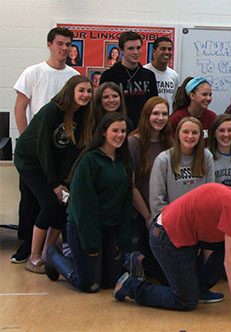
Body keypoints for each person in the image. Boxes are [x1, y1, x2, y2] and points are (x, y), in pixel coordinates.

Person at [113, 183, 231, 324]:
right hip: (167, 237)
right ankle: (130, 285)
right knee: (185, 301)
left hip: (181, 235)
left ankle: (198, 289)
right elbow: (230, 262)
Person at [45, 113, 132, 292]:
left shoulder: (124, 162)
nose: (120, 135)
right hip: (85, 228)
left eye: (123, 131)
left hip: (111, 229)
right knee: (89, 285)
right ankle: (53, 255)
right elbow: (83, 207)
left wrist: (123, 237)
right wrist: (91, 243)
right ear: (103, 133)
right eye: (115, 130)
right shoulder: (89, 161)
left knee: (110, 283)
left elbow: (126, 201)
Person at [14, 76, 91, 272]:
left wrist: (64, 182)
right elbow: (44, 150)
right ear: (71, 91)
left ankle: (49, 254)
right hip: (30, 160)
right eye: (81, 90)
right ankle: (34, 257)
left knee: (62, 206)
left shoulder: (82, 114)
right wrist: (55, 184)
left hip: (52, 164)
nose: (86, 95)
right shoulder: (52, 110)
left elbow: (72, 151)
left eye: (89, 91)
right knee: (48, 204)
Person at [126, 97, 172, 281]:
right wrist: (147, 216)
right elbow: (131, 185)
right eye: (155, 113)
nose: (160, 118)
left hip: (163, 213)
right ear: (146, 115)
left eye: (164, 114)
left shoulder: (170, 142)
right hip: (140, 213)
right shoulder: (133, 142)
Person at [13, 27, 79, 138]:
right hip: (37, 135)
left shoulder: (75, 76)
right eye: (59, 43)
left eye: (68, 44)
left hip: (63, 138)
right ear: (49, 45)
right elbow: (19, 108)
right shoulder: (32, 72)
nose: (64, 48)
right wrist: (25, 138)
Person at [149, 117, 215, 217]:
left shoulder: (207, 156)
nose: (190, 136)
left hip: (199, 218)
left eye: (195, 132)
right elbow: (156, 199)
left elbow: (210, 193)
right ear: (178, 134)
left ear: (200, 135)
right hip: (172, 219)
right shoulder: (164, 159)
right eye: (185, 132)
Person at [100, 31, 158, 127]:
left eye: (138, 48)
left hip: (143, 129)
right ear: (121, 50)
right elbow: (102, 107)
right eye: (131, 48)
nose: (135, 52)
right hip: (117, 127)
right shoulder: (109, 75)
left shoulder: (149, 75)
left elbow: (153, 105)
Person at [143, 37, 181, 105]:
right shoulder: (144, 71)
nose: (167, 52)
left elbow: (173, 100)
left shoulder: (174, 75)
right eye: (163, 49)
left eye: (169, 49)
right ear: (154, 51)